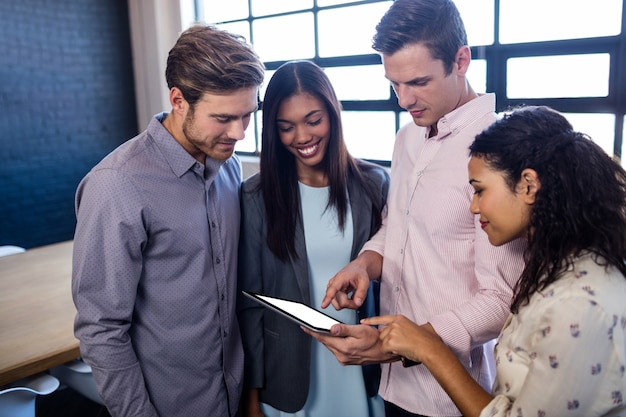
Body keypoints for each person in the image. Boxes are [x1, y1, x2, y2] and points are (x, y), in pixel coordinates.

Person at [305, 1, 526, 416]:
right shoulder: (408, 138)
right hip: (396, 387)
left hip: (455, 397)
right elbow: (397, 226)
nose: (404, 99)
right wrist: (365, 263)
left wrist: (400, 344)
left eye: (418, 82)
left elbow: (503, 299)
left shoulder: (501, 152)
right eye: (394, 84)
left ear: (461, 60)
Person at [365, 105, 626, 417]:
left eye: (479, 191)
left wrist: (430, 348)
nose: (474, 208)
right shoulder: (561, 261)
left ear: (529, 185)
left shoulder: (577, 303)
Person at [71, 25, 264, 417]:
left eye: (248, 116)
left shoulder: (229, 167)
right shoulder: (117, 185)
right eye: (224, 118)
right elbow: (101, 329)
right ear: (178, 100)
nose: (240, 133)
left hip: (231, 397)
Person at [237, 60, 389, 417]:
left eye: (313, 120)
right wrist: (251, 399)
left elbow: (391, 283)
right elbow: (250, 306)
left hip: (359, 370)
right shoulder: (254, 197)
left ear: (333, 114)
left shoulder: (373, 184)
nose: (302, 137)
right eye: (286, 127)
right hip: (287, 381)